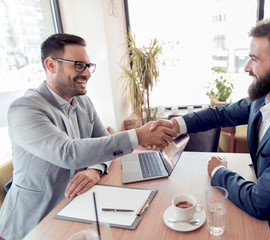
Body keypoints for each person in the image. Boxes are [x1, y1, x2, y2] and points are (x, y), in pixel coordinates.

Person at [152, 15, 270, 239]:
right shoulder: (269, 94)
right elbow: (221, 113)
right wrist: (175, 124)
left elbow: (260, 202)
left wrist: (218, 171)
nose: (246, 67)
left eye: (254, 59)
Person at [0, 33, 176, 240]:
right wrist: (139, 136)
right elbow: (68, 153)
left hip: (75, 207)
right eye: (78, 65)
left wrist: (94, 169)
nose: (87, 73)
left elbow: (105, 144)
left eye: (88, 65)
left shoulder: (83, 103)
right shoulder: (25, 109)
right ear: (51, 65)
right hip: (34, 222)